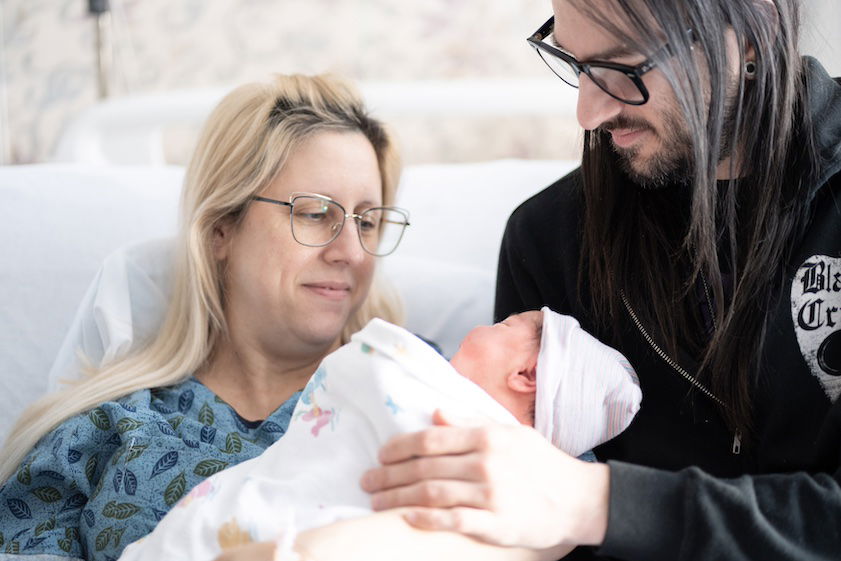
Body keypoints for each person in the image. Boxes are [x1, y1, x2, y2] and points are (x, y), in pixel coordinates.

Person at [360, 1, 841, 560]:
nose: (588, 113)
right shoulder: (548, 239)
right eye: (575, 62)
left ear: (749, 37)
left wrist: (599, 503)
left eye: (623, 69)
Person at [0, 74, 410, 561]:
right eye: (316, 213)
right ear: (221, 230)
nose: (352, 252)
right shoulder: (102, 432)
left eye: (367, 221)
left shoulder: (419, 391)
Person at [116, 309, 640, 561]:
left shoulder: (433, 398)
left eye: (511, 323)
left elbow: (371, 371)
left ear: (525, 374)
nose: (497, 320)